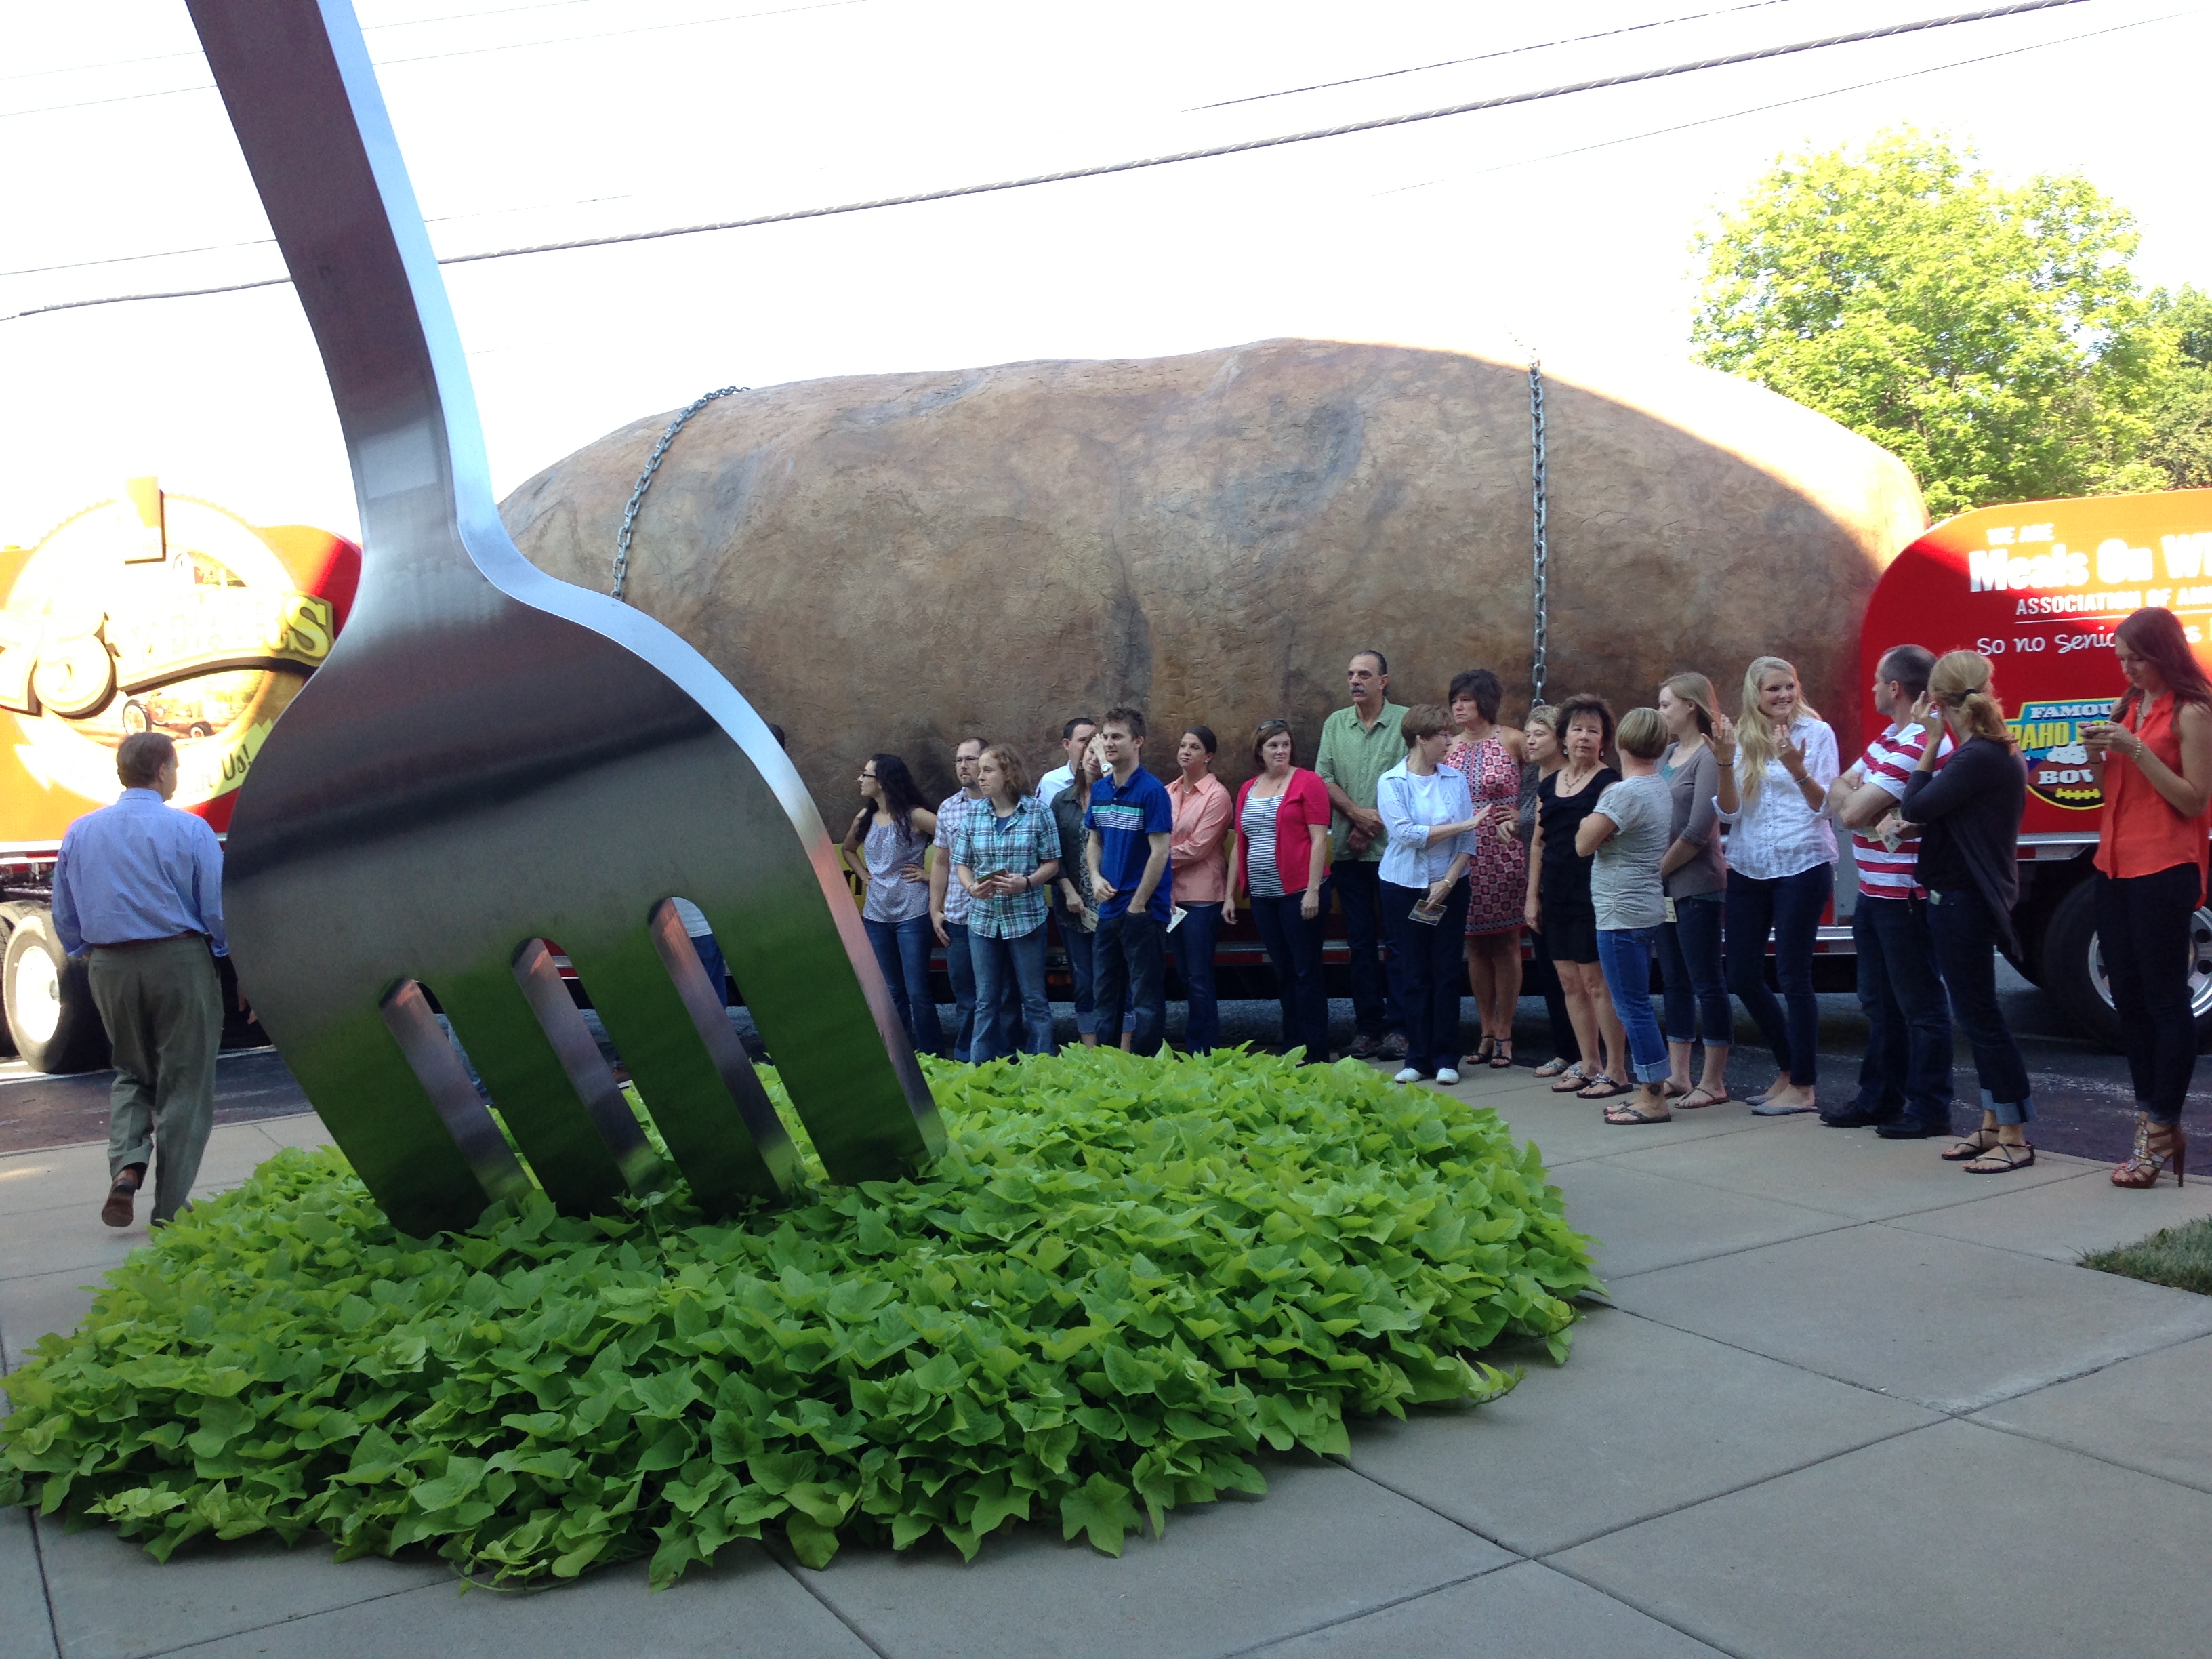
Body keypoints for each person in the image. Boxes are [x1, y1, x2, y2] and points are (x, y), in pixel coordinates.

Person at [50, 732, 230, 1229]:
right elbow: (215, 906)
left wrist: (86, 952)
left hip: (109, 964)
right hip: (178, 960)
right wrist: (224, 952)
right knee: (185, 1080)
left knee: (131, 1071)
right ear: (163, 771)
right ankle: (171, 1207)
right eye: (176, 767)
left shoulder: (80, 831)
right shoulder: (190, 830)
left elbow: (63, 912)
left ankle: (128, 1166)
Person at [1880, 651, 2034, 1172]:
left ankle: (2013, 1134)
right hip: (1965, 897)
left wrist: (1926, 744)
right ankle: (1993, 1125)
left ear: (1939, 702)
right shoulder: (1992, 751)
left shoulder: (1977, 756)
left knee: (1982, 1018)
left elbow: (1918, 802)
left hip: (1964, 901)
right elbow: (1954, 817)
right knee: (1976, 1014)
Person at [2083, 607, 2212, 1188]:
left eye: (2136, 656)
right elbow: (2109, 788)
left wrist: (2136, 749)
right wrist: (2096, 752)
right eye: (2121, 658)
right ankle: (2148, 1116)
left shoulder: (2193, 710)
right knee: (2127, 999)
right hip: (2114, 864)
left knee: (2164, 1001)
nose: (2127, 667)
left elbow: (2191, 800)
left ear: (2164, 650)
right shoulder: (2129, 704)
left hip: (2164, 866)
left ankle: (2163, 1125)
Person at [1824, 646, 1956, 1139]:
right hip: (1876, 892)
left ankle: (1929, 1108)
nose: (1874, 688)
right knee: (1879, 1003)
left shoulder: (1919, 743)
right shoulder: (1891, 737)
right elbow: (1839, 790)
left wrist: (1857, 802)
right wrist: (1856, 800)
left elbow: (1853, 813)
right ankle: (1879, 1097)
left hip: (1904, 895)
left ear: (1896, 688)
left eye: (1879, 681)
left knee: (1920, 1006)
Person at [1715, 655, 1839, 1117]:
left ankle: (1804, 1087)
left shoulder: (1816, 734)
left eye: (1789, 687)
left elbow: (1825, 808)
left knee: (1793, 975)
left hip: (1802, 862)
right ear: (1755, 694)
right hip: (1749, 864)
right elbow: (1729, 814)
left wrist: (1796, 766)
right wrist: (1726, 763)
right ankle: (1788, 1070)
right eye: (1774, 690)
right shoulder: (1741, 737)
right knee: (1741, 974)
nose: (1784, 696)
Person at [1578, 708, 1679, 1124]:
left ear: (1619, 742)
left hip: (1620, 911)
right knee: (1635, 1003)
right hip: (1643, 906)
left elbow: (1584, 843)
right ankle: (1647, 1091)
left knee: (1631, 1007)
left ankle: (1653, 1098)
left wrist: (1588, 819)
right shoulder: (1658, 785)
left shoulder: (1622, 793)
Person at [1527, 695, 1629, 1099]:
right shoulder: (1549, 784)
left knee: (1597, 983)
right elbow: (1538, 844)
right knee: (1569, 982)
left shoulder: (1610, 783)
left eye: (1593, 730)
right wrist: (1531, 897)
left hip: (1594, 894)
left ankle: (1616, 1070)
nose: (1584, 737)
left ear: (1603, 740)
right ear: (1563, 737)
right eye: (1577, 729)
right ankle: (1588, 1064)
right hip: (1555, 894)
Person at [1316, 650, 1411, 1061]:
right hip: (1349, 854)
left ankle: (1400, 1029)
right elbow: (1324, 778)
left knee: (1399, 944)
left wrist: (1374, 824)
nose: (1356, 681)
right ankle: (1368, 1029)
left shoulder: (1406, 723)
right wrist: (1356, 816)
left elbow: (1414, 779)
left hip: (1394, 853)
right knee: (1359, 946)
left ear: (1383, 681)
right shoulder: (1336, 724)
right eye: (1351, 673)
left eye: (1365, 674)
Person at [1377, 705, 1479, 1084]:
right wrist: (1462, 824)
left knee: (1447, 971)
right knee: (1413, 972)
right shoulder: (1392, 782)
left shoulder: (1455, 780)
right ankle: (1416, 1057)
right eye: (1443, 735)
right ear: (1421, 738)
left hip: (1450, 886)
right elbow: (1407, 834)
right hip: (1404, 887)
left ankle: (1446, 1057)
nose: (1449, 742)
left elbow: (1469, 841)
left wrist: (1448, 881)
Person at [1225, 719, 1334, 1062]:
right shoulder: (1248, 788)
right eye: (1273, 745)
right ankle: (1291, 1047)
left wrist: (1313, 891)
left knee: (1306, 971)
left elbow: (1319, 839)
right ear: (1260, 750)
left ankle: (1315, 1050)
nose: (1281, 751)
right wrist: (1231, 894)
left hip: (1299, 892)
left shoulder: (1308, 782)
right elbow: (1238, 844)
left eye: (1286, 744)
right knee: (1283, 971)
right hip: (1262, 896)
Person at [954, 745, 1061, 1059]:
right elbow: (961, 862)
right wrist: (972, 887)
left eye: (988, 770)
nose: (979, 775)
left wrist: (1026, 882)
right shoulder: (974, 815)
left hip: (1025, 917)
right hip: (984, 920)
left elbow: (1052, 862)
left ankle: (1043, 1068)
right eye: (980, 770)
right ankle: (980, 1069)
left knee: (1034, 999)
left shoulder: (1037, 812)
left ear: (1008, 774)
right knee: (986, 999)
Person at [1654, 674, 1732, 1109]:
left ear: (1690, 706)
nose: (1662, 711)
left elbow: (1698, 831)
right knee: (1674, 981)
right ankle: (1679, 1074)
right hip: (1664, 889)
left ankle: (1714, 1081)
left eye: (1667, 704)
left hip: (1697, 887)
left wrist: (1657, 872)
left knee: (1707, 981)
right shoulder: (1667, 754)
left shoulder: (1707, 756)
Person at [1444, 668, 1528, 1069]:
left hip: (1505, 853)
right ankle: (1486, 1030)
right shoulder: (1449, 747)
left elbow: (1547, 775)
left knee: (1507, 943)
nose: (1458, 707)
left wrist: (1524, 813)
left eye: (1466, 699)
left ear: (1485, 701)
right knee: (1475, 943)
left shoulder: (1511, 739)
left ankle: (1508, 1032)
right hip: (1463, 854)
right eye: (1455, 700)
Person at [1086, 705, 1174, 1055]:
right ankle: (1107, 1068)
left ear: (1138, 742)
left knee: (1146, 999)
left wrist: (1138, 904)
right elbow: (1093, 841)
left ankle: (1147, 1070)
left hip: (1143, 912)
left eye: (1117, 736)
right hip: (1107, 909)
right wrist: (1094, 877)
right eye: (1105, 736)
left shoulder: (1152, 791)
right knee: (1105, 996)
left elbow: (1160, 852)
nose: (1109, 743)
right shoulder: (1101, 790)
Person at [842, 752, 941, 1057]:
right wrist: (865, 877)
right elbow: (848, 850)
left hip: (912, 911)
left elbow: (957, 843)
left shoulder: (915, 816)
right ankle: (900, 1054)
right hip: (876, 914)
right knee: (892, 991)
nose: (860, 780)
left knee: (917, 991)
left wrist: (928, 874)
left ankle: (932, 1055)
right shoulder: (864, 817)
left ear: (883, 782)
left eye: (865, 775)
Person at [929, 737, 1011, 1061]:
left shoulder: (1007, 805)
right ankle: (967, 1059)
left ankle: (1006, 1058)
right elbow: (940, 862)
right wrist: (935, 909)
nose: (964, 766)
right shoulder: (949, 808)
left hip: (999, 915)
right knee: (966, 996)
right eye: (959, 760)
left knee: (1002, 994)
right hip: (959, 917)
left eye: (971, 759)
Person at [1515, 706, 1582, 1080]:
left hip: (1567, 885)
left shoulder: (1572, 778)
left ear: (1560, 740)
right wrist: (1513, 825)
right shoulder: (1530, 776)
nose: (1530, 741)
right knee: (1550, 973)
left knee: (1577, 975)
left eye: (1539, 734)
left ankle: (1587, 1054)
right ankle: (1564, 1051)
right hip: (1535, 882)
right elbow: (1531, 825)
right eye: (1528, 733)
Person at [1166, 725, 1231, 1053]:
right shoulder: (1169, 791)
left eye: (1194, 747)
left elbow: (1198, 848)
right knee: (1184, 975)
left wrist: (1156, 860)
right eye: (1182, 745)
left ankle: (1203, 1051)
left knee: (1200, 978)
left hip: (1202, 898)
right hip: (1171, 897)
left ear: (1208, 756)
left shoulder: (1217, 796)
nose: (1185, 751)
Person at [1049, 732, 1109, 1047]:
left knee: (1110, 978)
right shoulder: (1063, 801)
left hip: (1110, 903)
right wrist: (1069, 891)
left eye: (1099, 753)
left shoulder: (1114, 797)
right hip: (1074, 909)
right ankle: (1090, 1050)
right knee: (1084, 981)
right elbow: (1051, 853)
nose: (1092, 757)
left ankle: (1119, 1050)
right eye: (1087, 751)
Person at [1034, 714, 1099, 809]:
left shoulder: (1107, 778)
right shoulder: (1051, 782)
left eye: (1093, 740)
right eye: (1083, 740)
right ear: (1067, 744)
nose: (1089, 745)